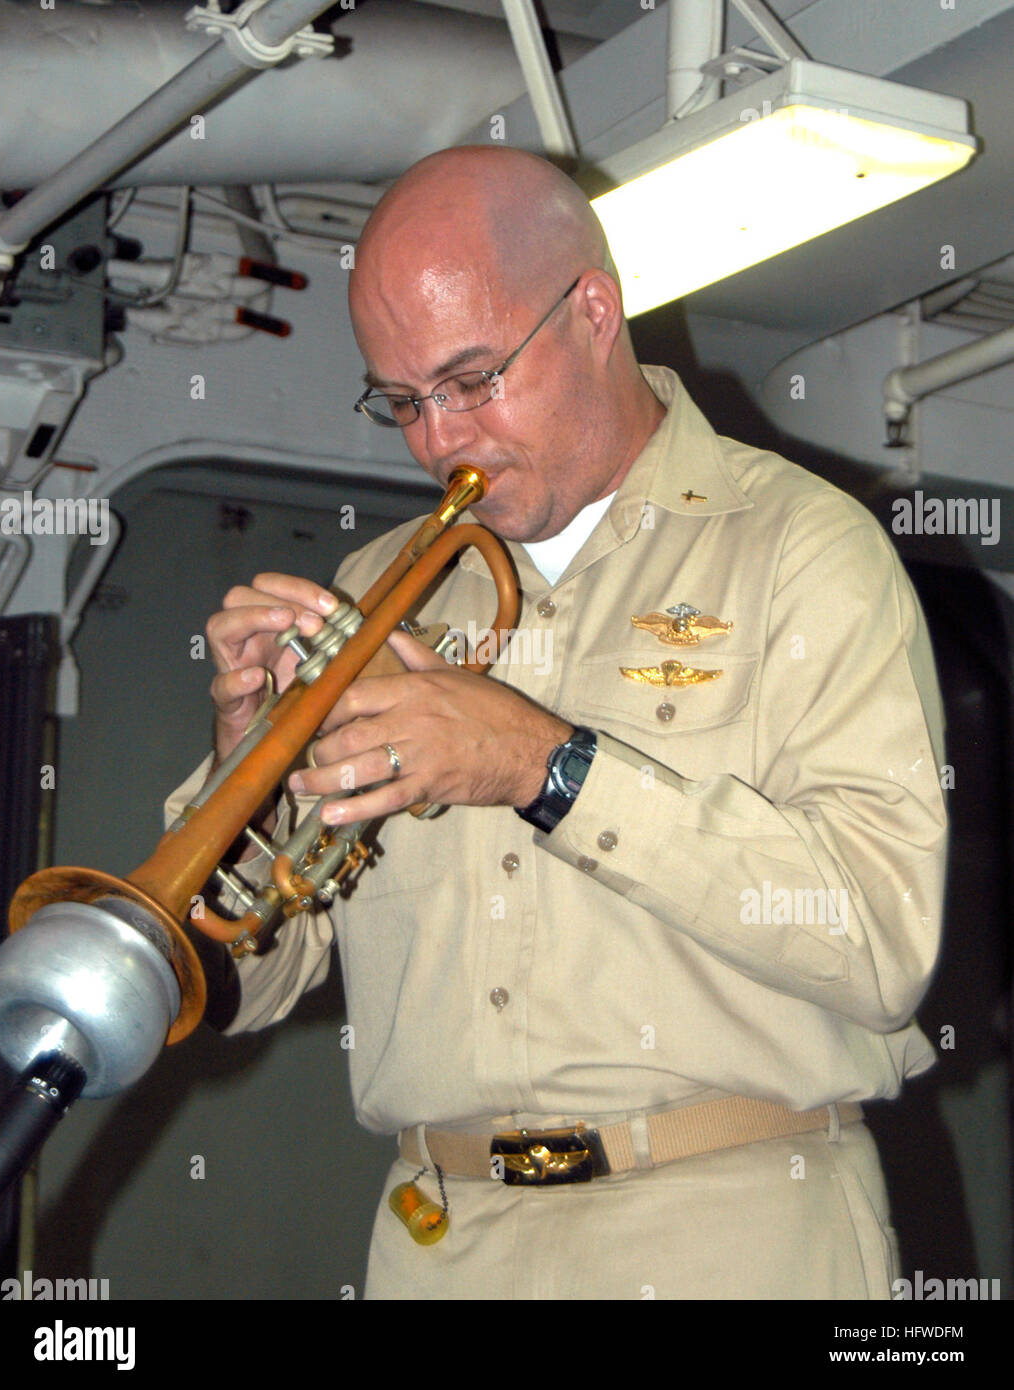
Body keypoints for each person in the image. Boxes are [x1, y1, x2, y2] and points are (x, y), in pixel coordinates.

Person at [166, 145, 948, 1300]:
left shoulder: (803, 549)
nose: (437, 440)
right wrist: (250, 772)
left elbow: (883, 945)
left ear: (592, 311)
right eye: (402, 401)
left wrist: (543, 764)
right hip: (442, 1240)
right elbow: (246, 982)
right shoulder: (383, 582)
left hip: (733, 1227)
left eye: (471, 379)